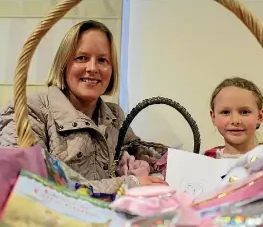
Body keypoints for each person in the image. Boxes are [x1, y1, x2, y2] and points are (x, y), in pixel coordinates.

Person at [0, 20, 167, 193]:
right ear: (63, 64)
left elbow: (139, 150)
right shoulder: (28, 113)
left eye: (102, 60)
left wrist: (154, 162)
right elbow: (33, 190)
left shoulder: (114, 115)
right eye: (81, 58)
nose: (92, 68)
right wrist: (131, 183)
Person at [204, 77, 263, 159]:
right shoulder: (204, 162)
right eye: (225, 112)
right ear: (213, 117)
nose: (235, 121)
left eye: (244, 112)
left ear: (260, 116)